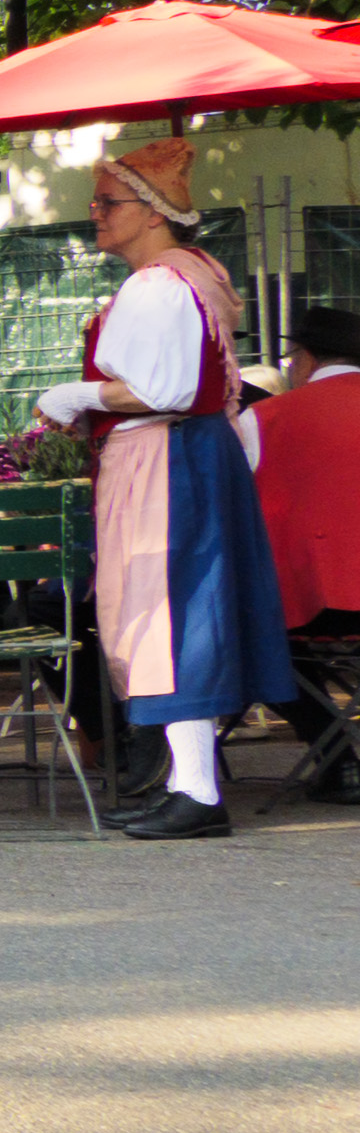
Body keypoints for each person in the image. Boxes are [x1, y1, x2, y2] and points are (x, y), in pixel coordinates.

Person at [31, 141, 293, 842]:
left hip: (167, 456)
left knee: (171, 615)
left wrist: (71, 393)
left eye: (108, 203)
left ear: (152, 213)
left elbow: (162, 389)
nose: (96, 215)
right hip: (188, 454)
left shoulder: (159, 285)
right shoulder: (193, 273)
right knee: (179, 613)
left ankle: (199, 793)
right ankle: (185, 782)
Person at [242, 303, 360, 802]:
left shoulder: (263, 418)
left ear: (303, 359)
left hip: (312, 604)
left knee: (251, 639)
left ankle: (339, 762)